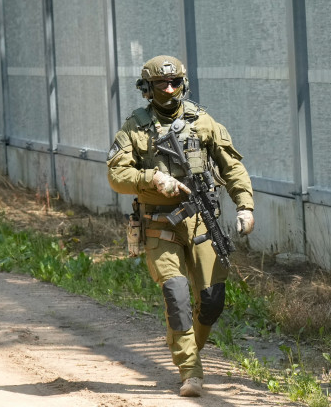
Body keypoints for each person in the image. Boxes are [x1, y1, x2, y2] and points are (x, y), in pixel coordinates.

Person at [106, 55, 255, 397]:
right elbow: (116, 174)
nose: (170, 89)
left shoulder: (202, 122)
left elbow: (231, 166)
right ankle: (191, 371)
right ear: (147, 88)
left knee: (212, 301)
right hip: (160, 223)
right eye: (161, 84)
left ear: (183, 84)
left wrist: (245, 205)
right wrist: (152, 178)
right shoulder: (135, 127)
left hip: (202, 219)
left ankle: (185, 346)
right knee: (176, 295)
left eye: (175, 83)